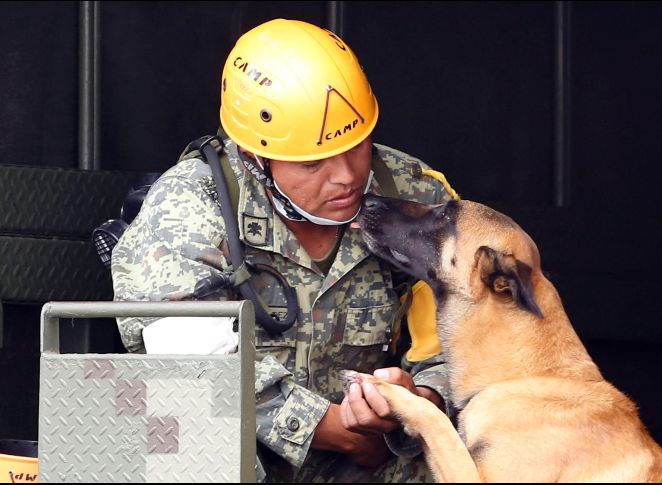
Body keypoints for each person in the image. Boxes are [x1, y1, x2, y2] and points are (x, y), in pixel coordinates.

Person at [111, 18, 457, 482]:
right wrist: (336, 430)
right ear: (255, 157)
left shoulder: (415, 199)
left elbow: (473, 345)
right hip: (240, 458)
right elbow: (195, 371)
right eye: (314, 162)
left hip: (383, 462)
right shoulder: (188, 205)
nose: (347, 176)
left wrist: (418, 403)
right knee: (184, 434)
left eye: (357, 146)